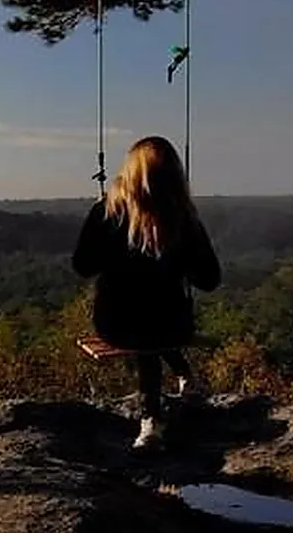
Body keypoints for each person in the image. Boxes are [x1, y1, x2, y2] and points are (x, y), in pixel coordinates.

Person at [72, 136, 221, 449]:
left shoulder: (108, 212)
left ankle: (152, 419)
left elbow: (83, 266)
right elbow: (209, 279)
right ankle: (164, 403)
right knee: (156, 327)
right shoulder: (184, 219)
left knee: (144, 330)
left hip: (116, 325)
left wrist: (106, 241)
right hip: (172, 326)